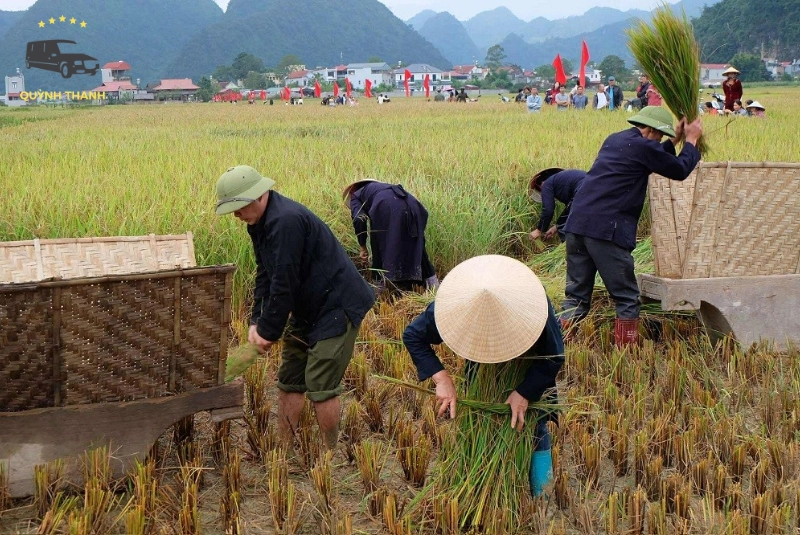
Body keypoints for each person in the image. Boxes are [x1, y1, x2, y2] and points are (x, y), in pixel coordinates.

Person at [215, 165, 376, 450]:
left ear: (259, 195)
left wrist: (270, 330)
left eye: (239, 207)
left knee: (320, 385)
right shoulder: (258, 223)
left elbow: (283, 282)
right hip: (307, 305)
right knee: (290, 378)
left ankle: (329, 453)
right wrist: (257, 320)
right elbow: (265, 272)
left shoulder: (285, 221)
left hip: (336, 304)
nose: (236, 215)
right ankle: (285, 448)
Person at [402, 255, 564, 497]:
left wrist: (524, 393)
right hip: (480, 377)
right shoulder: (453, 305)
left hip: (527, 371)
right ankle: (487, 486)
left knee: (532, 423)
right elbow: (413, 336)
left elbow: (554, 356)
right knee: (481, 424)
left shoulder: (534, 306)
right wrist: (441, 379)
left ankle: (543, 495)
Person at [561, 107, 703, 346]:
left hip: (577, 225)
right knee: (626, 296)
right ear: (649, 130)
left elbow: (651, 157)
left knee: (575, 295)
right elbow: (678, 170)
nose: (659, 141)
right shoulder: (644, 147)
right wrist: (691, 141)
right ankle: (626, 353)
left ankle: (561, 343)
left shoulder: (616, 139)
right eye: (659, 136)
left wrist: (673, 140)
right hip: (606, 229)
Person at [344, 179, 439, 294]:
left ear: (352, 190)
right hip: (414, 206)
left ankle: (378, 292)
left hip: (386, 206)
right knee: (418, 248)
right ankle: (435, 288)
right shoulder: (383, 188)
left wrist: (362, 246)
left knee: (378, 245)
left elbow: (359, 219)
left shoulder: (355, 195)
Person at [529, 168, 586, 242]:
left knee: (567, 231)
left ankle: (568, 251)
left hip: (583, 192)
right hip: (598, 190)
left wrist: (539, 230)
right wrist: (556, 227)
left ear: (540, 185)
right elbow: (570, 210)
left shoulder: (546, 184)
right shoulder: (563, 180)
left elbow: (548, 210)